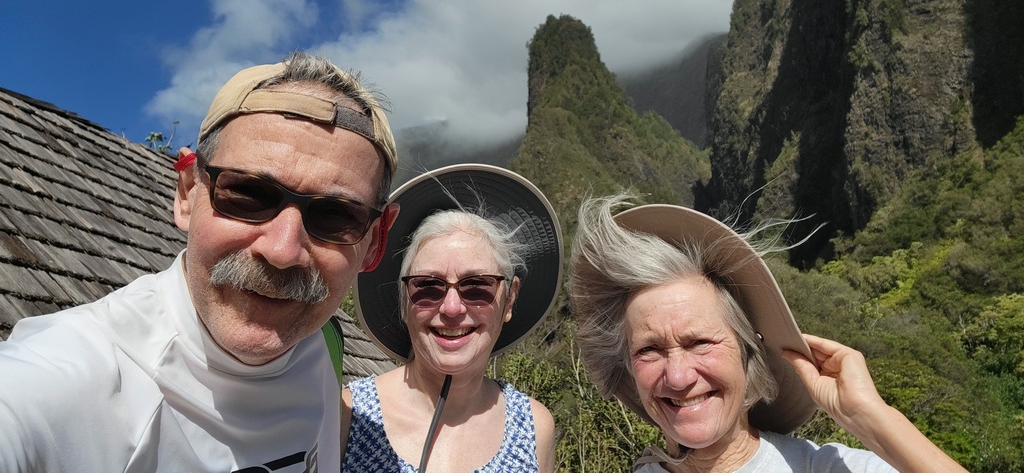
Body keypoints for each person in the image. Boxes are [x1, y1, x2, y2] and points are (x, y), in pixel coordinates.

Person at [0, 52, 400, 472]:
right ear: (187, 193)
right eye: (247, 194)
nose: (283, 251)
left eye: (336, 215)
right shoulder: (64, 386)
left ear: (375, 242)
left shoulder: (322, 344)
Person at [569, 193, 968, 473]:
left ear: (750, 351)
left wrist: (870, 417)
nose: (677, 377)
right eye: (650, 350)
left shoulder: (825, 468)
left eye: (700, 342)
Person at [342, 164, 561, 472]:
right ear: (405, 300)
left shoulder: (534, 429)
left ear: (509, 298)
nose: (452, 308)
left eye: (477, 286)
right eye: (428, 286)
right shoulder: (347, 415)